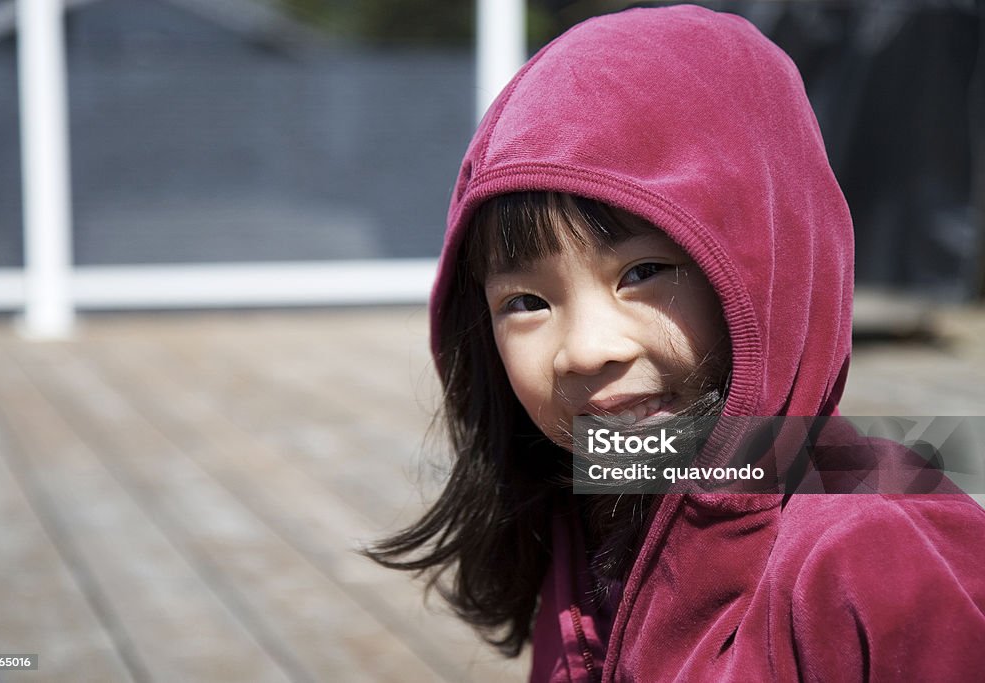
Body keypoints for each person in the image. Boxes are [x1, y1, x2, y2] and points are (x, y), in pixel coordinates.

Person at [366, 5, 985, 681]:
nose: (585, 349)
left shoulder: (877, 549)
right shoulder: (585, 497)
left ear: (771, 255)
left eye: (642, 272)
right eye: (527, 302)